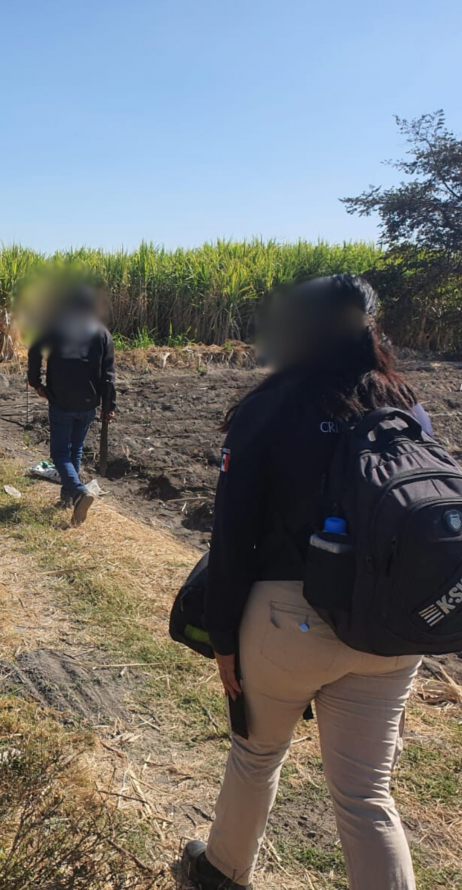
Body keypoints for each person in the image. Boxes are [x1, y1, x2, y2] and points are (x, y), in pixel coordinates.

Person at [183, 274, 427, 889]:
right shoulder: (403, 403)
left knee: (256, 756)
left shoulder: (272, 406)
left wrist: (222, 636)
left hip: (287, 620)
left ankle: (221, 874)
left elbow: (232, 535)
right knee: (367, 796)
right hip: (389, 628)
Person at [27, 284, 116, 526]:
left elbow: (34, 351)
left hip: (61, 399)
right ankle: (68, 497)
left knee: (59, 453)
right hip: (89, 401)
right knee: (75, 448)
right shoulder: (102, 333)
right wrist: (109, 405)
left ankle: (78, 491)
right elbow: (108, 374)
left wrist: (35, 382)